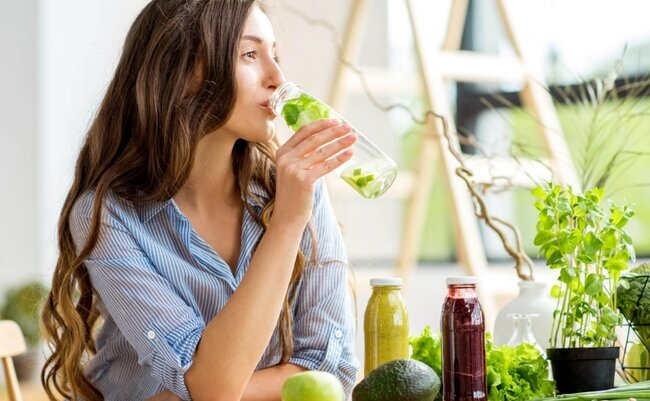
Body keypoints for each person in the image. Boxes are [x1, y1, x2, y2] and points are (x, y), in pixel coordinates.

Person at [39, 1, 358, 400]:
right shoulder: (107, 215)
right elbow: (213, 387)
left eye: (275, 56)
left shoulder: (294, 188)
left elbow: (331, 370)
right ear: (184, 71)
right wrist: (287, 224)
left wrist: (181, 397)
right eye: (250, 54)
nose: (278, 78)